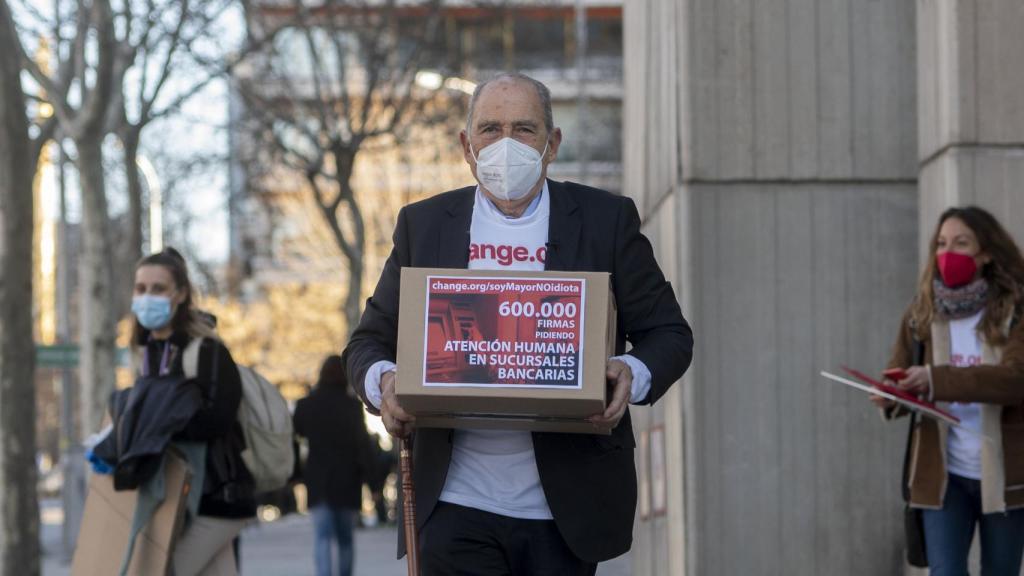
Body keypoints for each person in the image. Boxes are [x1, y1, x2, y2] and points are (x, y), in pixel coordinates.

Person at [343, 72, 694, 574]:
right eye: (490, 129)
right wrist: (385, 384)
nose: (505, 144)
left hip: (566, 510)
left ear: (553, 144)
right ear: (466, 146)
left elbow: (670, 335)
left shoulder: (605, 221)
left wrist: (629, 373)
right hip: (453, 503)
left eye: (524, 129)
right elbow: (367, 344)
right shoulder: (424, 225)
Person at [873, 206, 1024, 575]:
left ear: (986, 253)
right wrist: (891, 396)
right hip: (942, 477)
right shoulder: (921, 314)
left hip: (1005, 476)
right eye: (941, 244)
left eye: (960, 243)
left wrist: (935, 379)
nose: (947, 253)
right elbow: (901, 372)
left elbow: (1014, 380)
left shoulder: (1015, 312)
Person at [131, 248, 255, 575]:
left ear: (181, 294)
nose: (147, 297)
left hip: (216, 498)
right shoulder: (148, 355)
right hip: (182, 497)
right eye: (141, 288)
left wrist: (153, 426)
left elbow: (217, 420)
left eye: (158, 288)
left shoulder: (207, 351)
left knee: (165, 570)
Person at [294, 355, 369, 576]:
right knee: (346, 539)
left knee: (322, 537)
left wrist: (295, 473)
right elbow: (363, 445)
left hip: (318, 480)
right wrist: (373, 482)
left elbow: (294, 438)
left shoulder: (306, 405)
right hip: (348, 480)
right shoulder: (352, 407)